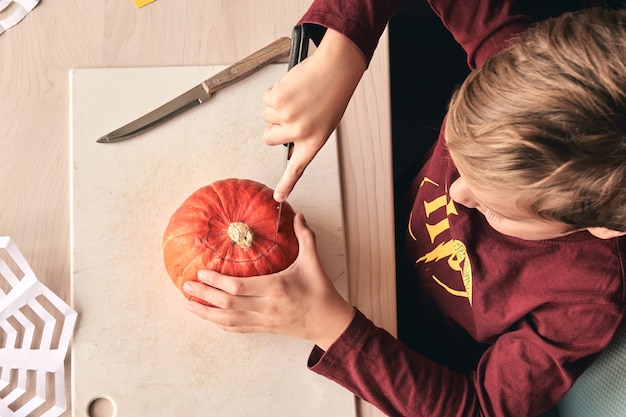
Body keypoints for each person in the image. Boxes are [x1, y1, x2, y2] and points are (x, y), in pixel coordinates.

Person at [182, 1, 626, 416]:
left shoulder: (587, 300)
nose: (457, 194)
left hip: (400, 346)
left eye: (495, 211)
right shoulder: (519, 73)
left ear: (602, 228)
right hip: (369, 222)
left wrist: (329, 326)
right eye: (459, 151)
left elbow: (478, 407)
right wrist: (344, 53)